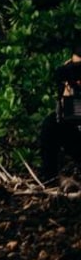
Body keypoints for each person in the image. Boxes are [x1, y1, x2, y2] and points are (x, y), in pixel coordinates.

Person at [37, 45, 81, 183]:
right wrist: (67, 94)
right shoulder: (72, 83)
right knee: (51, 124)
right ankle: (51, 178)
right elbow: (69, 118)